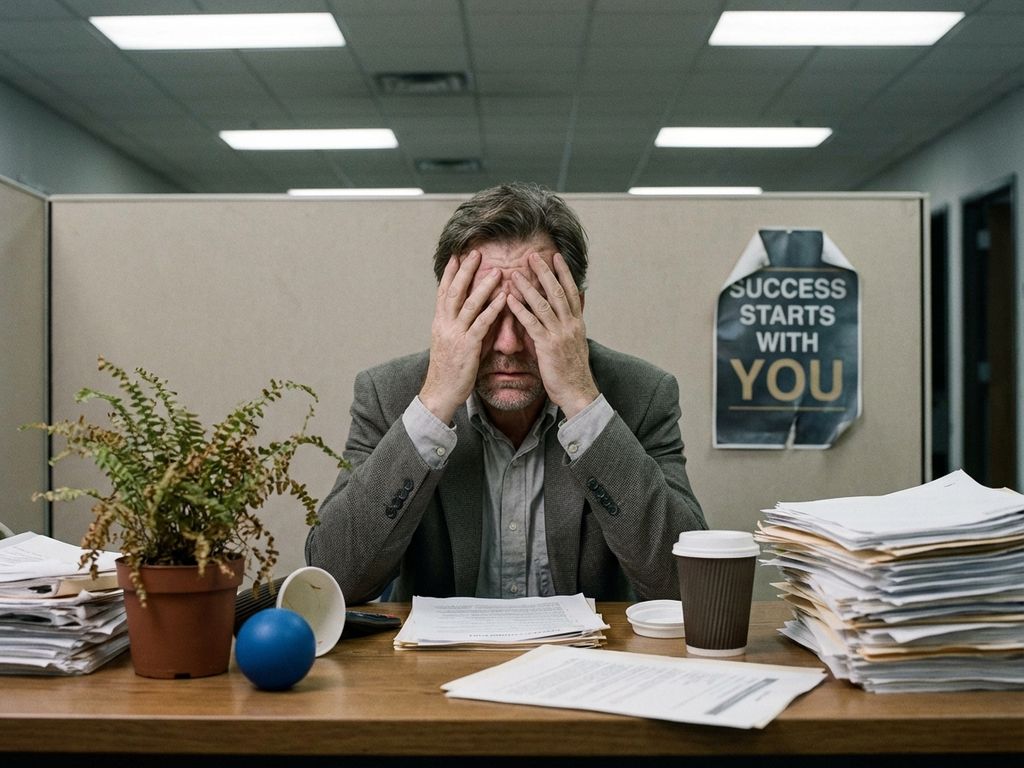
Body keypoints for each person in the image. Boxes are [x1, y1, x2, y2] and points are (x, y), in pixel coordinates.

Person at [306, 182, 706, 604]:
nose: (509, 345)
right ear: (448, 312)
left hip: (589, 662)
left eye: (532, 312)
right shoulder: (389, 394)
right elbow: (332, 580)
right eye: (485, 314)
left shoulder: (641, 394)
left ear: (575, 311)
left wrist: (582, 401)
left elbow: (685, 585)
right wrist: (435, 404)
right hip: (437, 668)